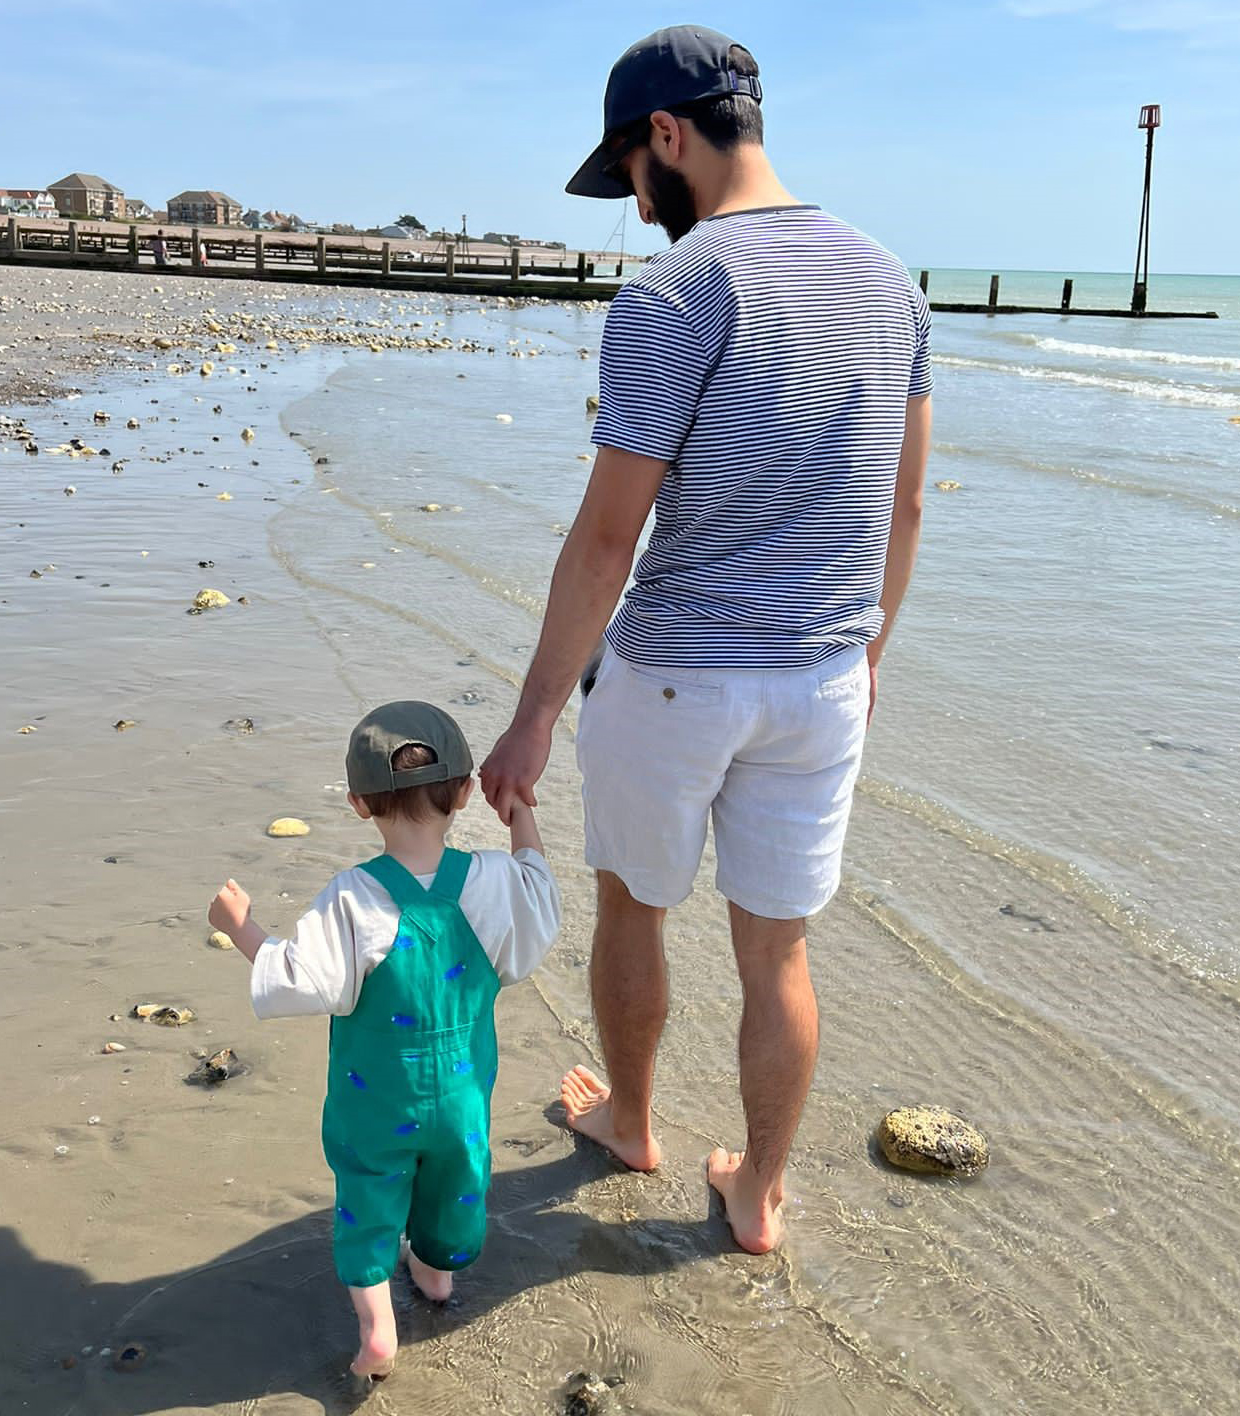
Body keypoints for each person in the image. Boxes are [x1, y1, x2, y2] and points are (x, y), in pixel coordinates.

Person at [481, 25, 932, 1255]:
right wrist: (869, 660)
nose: (636, 205)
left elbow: (606, 542)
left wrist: (527, 719)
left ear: (667, 136)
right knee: (777, 950)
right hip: (826, 677)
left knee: (634, 905)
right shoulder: (893, 281)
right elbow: (902, 504)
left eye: (630, 173)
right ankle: (759, 1197)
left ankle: (633, 1123)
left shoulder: (679, 290)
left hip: (678, 672)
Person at [207, 702, 561, 1379]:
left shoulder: (353, 898)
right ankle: (434, 1280)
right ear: (464, 793)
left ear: (359, 804)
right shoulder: (491, 881)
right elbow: (539, 898)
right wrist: (520, 812)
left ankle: (376, 1333)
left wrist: (242, 926)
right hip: (461, 1096)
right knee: (455, 1185)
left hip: (373, 1102)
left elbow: (299, 979)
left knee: (369, 1200)